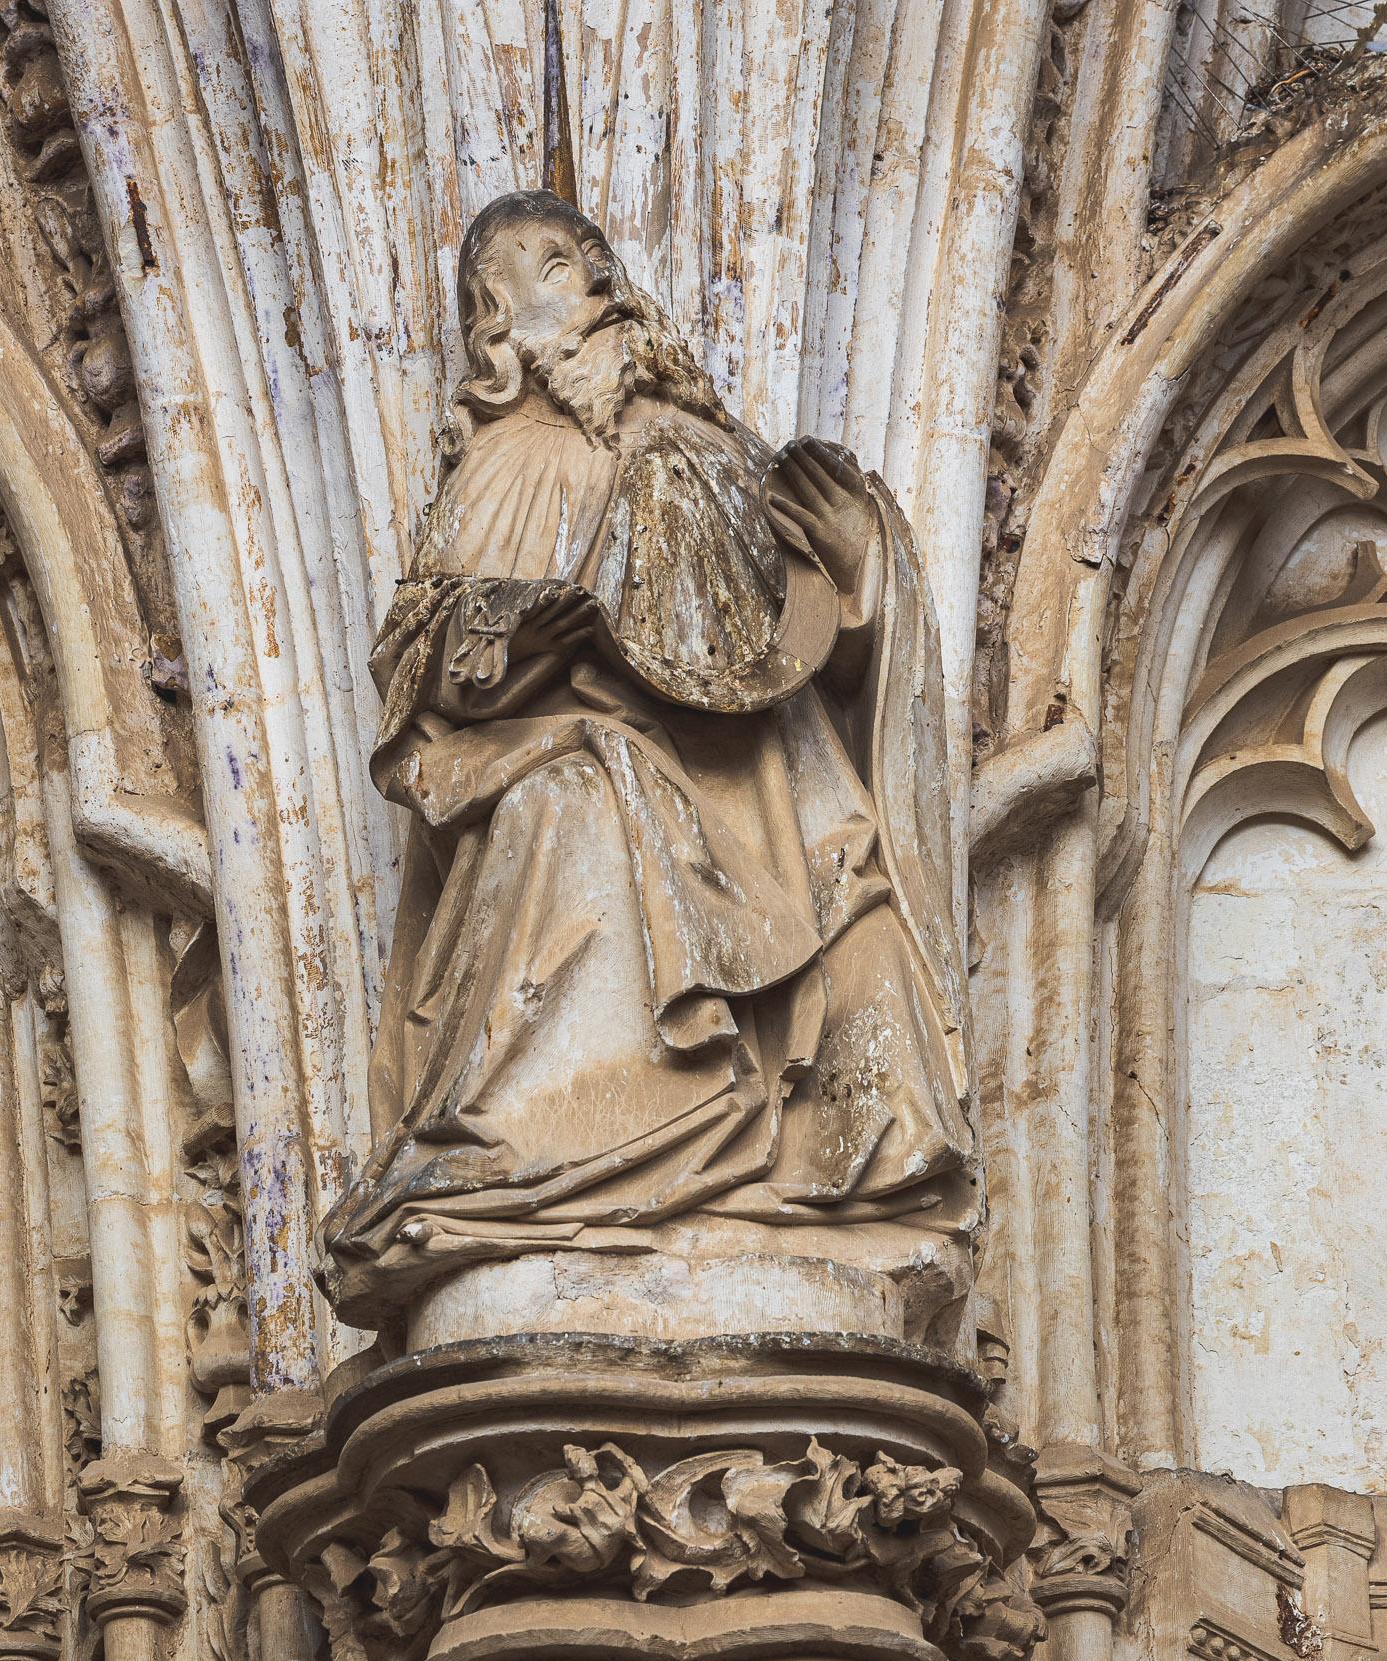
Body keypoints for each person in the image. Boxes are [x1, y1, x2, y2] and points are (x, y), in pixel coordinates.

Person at [319, 190, 974, 1332]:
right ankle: (535, 1153)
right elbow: (420, 657)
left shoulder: (707, 448)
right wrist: (522, 641)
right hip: (567, 751)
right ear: (495, 327)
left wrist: (861, 565)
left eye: (590, 257)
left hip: (761, 786)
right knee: (574, 803)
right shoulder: (513, 462)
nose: (592, 278)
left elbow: (822, 636)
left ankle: (812, 1166)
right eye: (549, 266)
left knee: (857, 902)